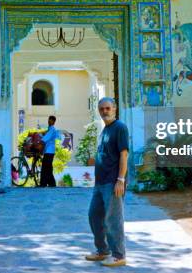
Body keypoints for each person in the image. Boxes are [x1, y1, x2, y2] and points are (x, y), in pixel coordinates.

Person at [85, 97, 129, 267]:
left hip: (113, 182)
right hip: (100, 183)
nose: (105, 111)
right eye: (102, 109)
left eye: (108, 108)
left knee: (113, 219)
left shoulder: (120, 128)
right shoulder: (105, 130)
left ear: (115, 109)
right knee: (94, 215)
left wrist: (121, 179)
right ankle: (103, 250)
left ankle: (119, 255)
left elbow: (123, 155)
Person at [39, 115, 59, 187]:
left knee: (45, 168)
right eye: (49, 120)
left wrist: (39, 143)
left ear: (54, 122)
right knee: (48, 168)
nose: (49, 121)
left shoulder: (52, 129)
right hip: (48, 151)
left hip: (49, 151)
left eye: (51, 120)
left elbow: (45, 139)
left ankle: (44, 183)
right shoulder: (50, 129)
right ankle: (51, 183)